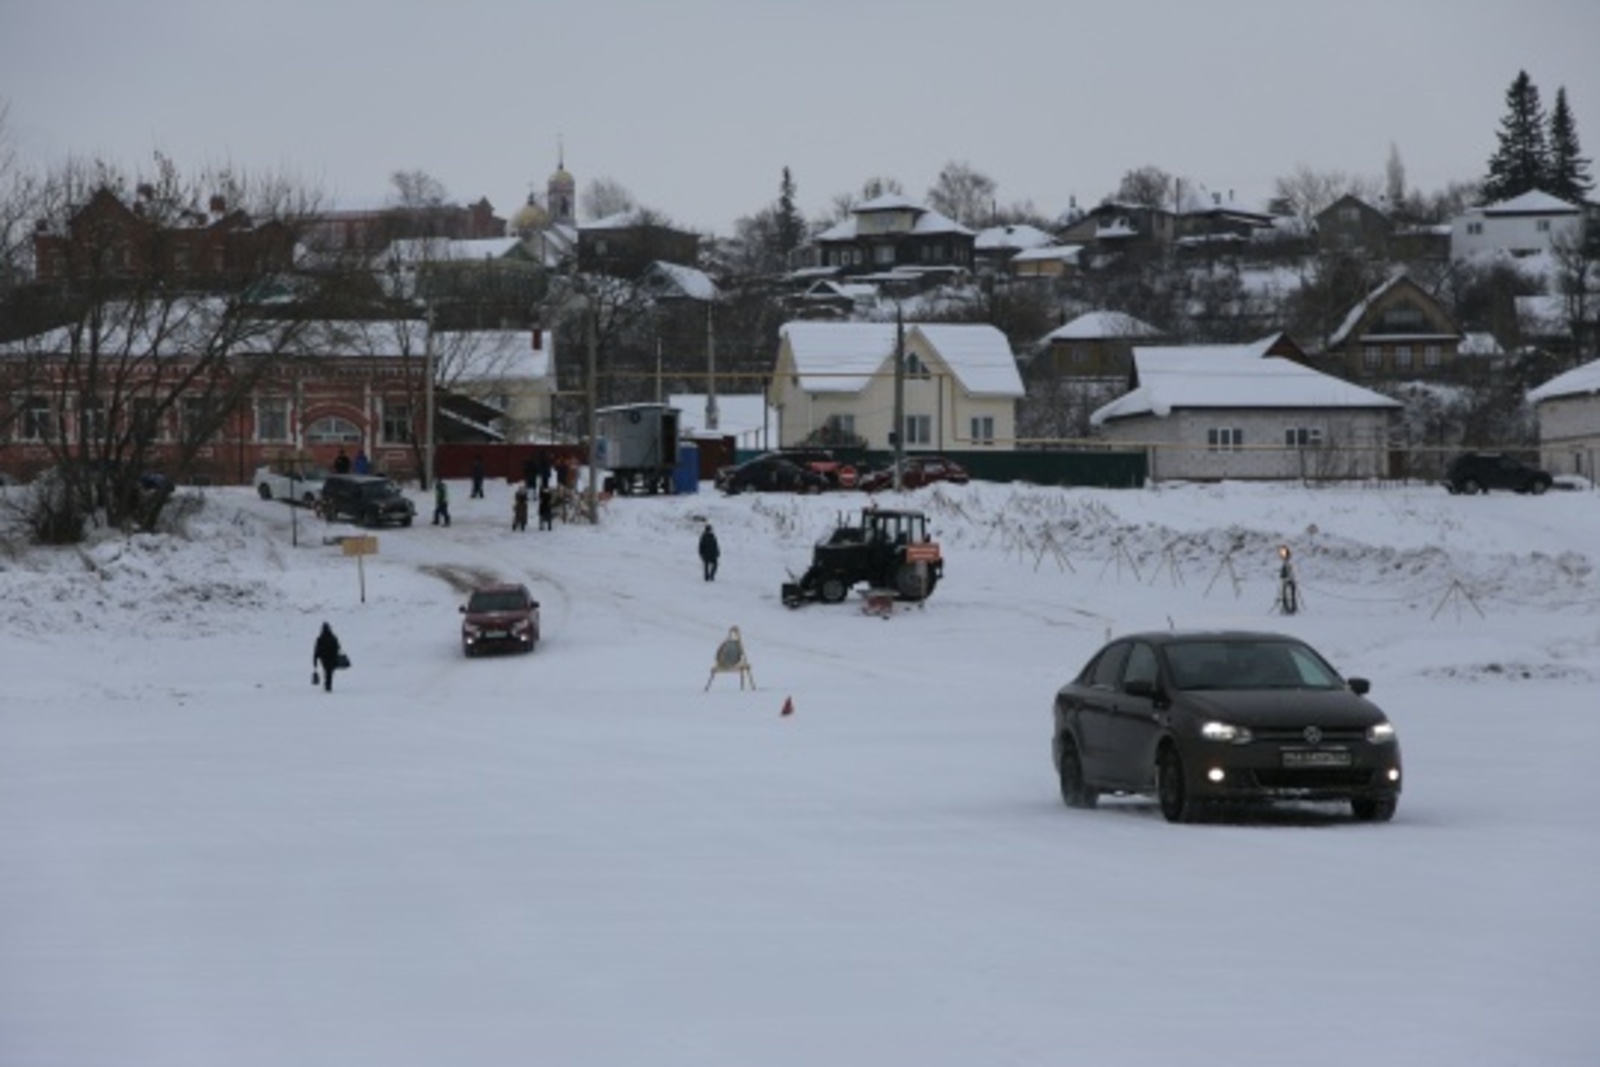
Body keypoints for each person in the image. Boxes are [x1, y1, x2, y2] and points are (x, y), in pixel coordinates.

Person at [313, 622, 343, 693]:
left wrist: (315, 659)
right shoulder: (333, 637)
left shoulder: (320, 638)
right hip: (332, 657)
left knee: (326, 670)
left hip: (323, 658)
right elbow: (338, 647)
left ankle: (327, 684)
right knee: (329, 671)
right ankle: (328, 684)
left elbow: (317, 650)